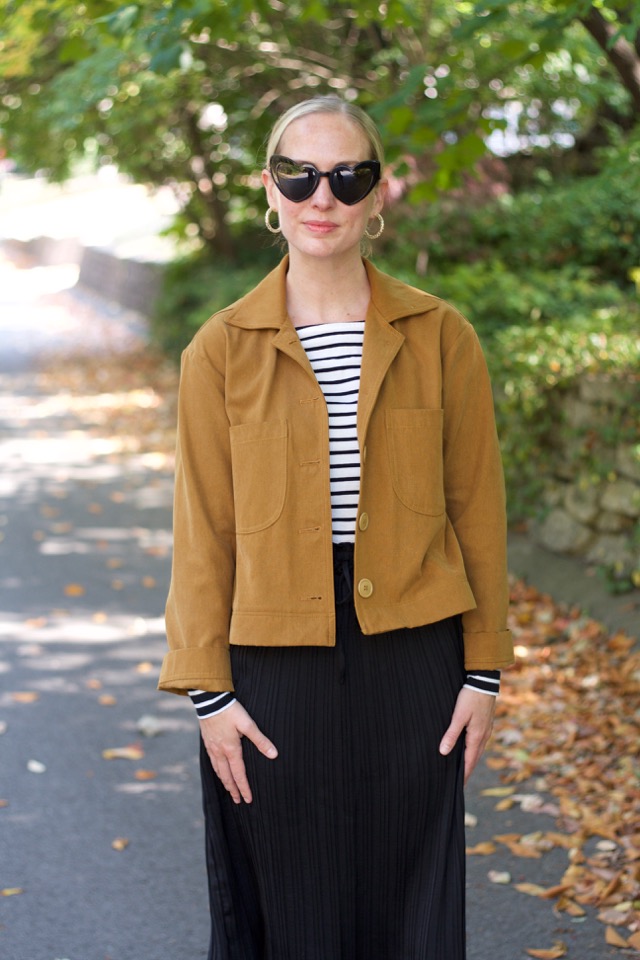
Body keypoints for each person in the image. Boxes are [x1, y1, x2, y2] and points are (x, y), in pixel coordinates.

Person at [158, 94, 513, 960]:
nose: (324, 196)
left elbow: (478, 509)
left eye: (348, 176)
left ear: (377, 193)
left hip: (415, 658)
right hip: (273, 665)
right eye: (301, 175)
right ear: (269, 192)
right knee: (291, 908)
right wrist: (209, 693)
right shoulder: (221, 348)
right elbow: (203, 531)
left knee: (410, 916)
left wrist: (485, 670)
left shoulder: (440, 336)